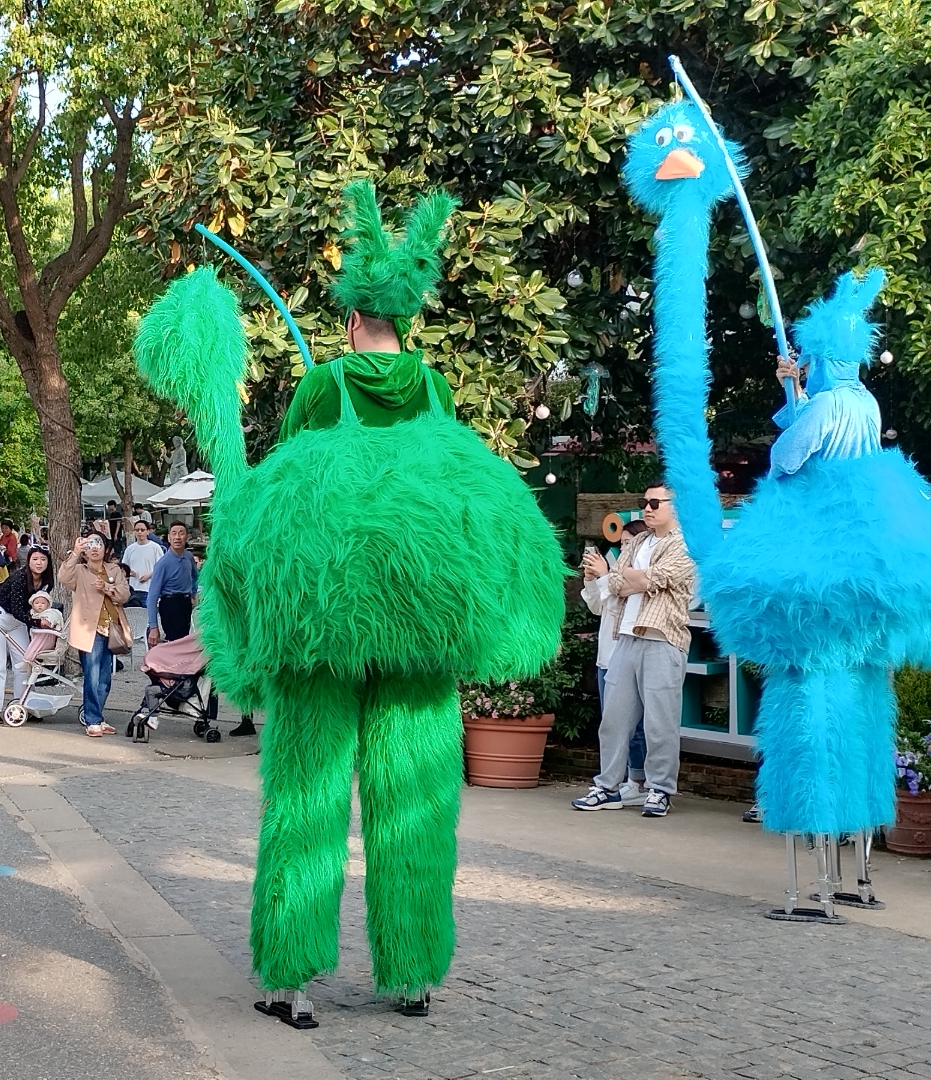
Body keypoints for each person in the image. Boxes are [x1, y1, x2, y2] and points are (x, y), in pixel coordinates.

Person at [134, 180, 563, 1021]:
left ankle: (288, 977)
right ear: (403, 318)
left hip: (322, 632)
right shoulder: (435, 394)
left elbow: (282, 517)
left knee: (307, 796)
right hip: (415, 638)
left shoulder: (321, 391)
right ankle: (412, 973)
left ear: (347, 321)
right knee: (413, 803)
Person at [572, 481, 696, 818]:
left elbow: (653, 578)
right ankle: (606, 786)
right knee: (613, 718)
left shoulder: (684, 543)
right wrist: (631, 577)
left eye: (656, 503)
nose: (648, 508)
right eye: (646, 502)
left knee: (660, 722)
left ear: (675, 506)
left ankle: (659, 790)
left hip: (662, 638)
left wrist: (630, 577)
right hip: (625, 637)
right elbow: (614, 583)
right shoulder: (637, 540)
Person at [580, 517, 654, 804]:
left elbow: (619, 594)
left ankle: (638, 781)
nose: (623, 548)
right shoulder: (616, 573)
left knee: (634, 726)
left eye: (627, 543)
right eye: (621, 544)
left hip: (628, 654)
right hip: (607, 657)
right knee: (611, 723)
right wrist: (591, 578)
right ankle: (617, 780)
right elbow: (599, 606)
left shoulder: (638, 575)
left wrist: (606, 574)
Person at [62, 534, 130, 737]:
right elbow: (63, 578)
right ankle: (92, 719)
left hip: (111, 629)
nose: (94, 548)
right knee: (91, 676)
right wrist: (74, 552)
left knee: (105, 678)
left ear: (105, 548)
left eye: (98, 544)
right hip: (88, 629)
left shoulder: (114, 569)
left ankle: (96, 716)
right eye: (90, 544)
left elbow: (125, 594)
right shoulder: (80, 570)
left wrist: (107, 587)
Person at [0, 548, 55, 724]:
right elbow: (16, 609)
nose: (39, 563)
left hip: (19, 622)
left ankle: (23, 705)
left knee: (24, 662)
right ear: (28, 561)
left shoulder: (47, 581)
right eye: (35, 559)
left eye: (43, 559)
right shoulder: (19, 578)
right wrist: (37, 623)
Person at [146, 523, 200, 645]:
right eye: (174, 533)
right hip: (170, 604)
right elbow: (152, 596)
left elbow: (195, 576)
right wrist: (153, 626)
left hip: (185, 603)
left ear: (187, 537)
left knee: (184, 640)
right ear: (169, 538)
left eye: (181, 533)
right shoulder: (162, 564)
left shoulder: (188, 556)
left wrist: (192, 594)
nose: (177, 537)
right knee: (176, 643)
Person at [122, 517, 165, 613]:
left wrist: (149, 575)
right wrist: (128, 572)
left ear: (148, 531)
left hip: (150, 589)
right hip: (133, 589)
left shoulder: (155, 547)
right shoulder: (130, 549)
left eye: (142, 530)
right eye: (137, 530)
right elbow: (124, 567)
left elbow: (161, 568)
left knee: (149, 616)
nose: (140, 532)